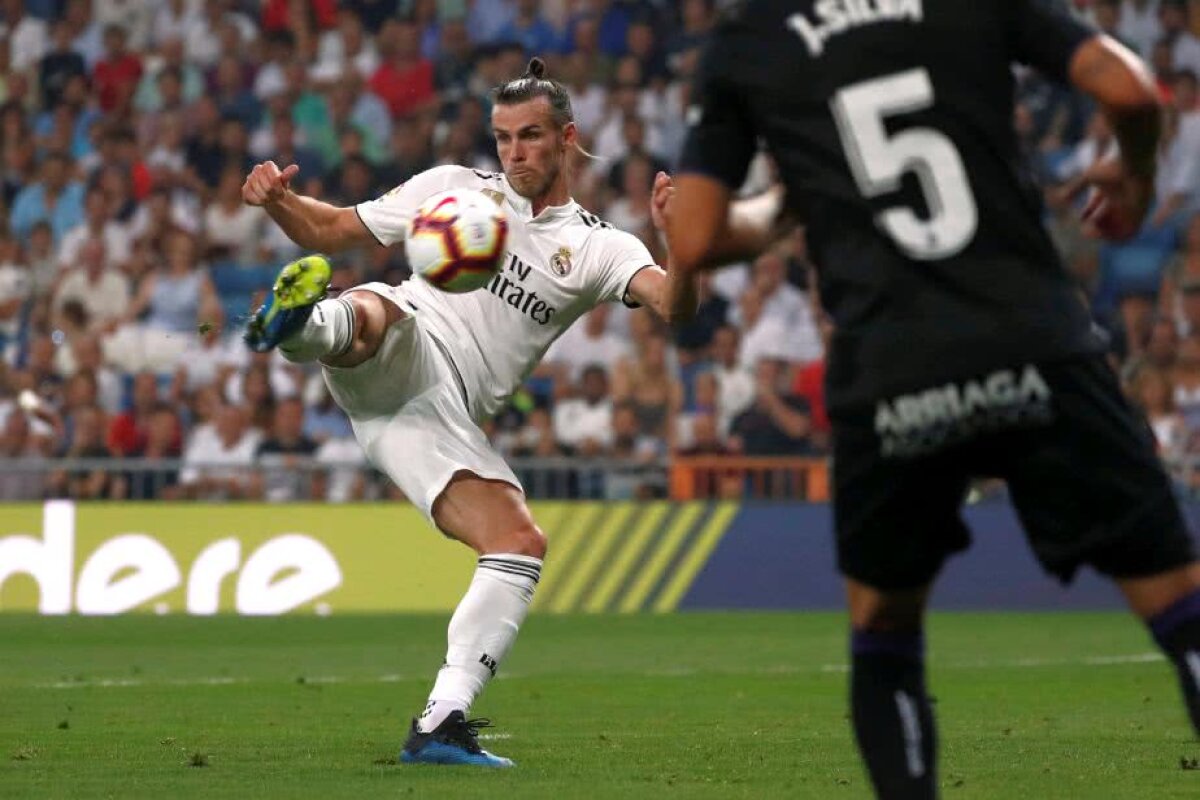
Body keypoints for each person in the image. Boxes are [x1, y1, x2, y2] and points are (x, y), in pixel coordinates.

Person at [663, 3, 1200, 798]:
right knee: (1180, 610)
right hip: (1035, 342)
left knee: (885, 635)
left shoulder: (750, 38)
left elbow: (700, 236)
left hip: (890, 368)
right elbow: (1130, 92)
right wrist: (1137, 172)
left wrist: (801, 192)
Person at [239, 57, 705, 768]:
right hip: (408, 344)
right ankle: (302, 327)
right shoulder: (454, 191)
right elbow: (331, 230)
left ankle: (440, 722)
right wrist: (275, 199)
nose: (514, 153)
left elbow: (675, 305)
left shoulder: (598, 246)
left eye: (530, 137)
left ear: (566, 138)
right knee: (382, 309)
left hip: (430, 419)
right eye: (503, 138)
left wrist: (682, 247)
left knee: (519, 543)